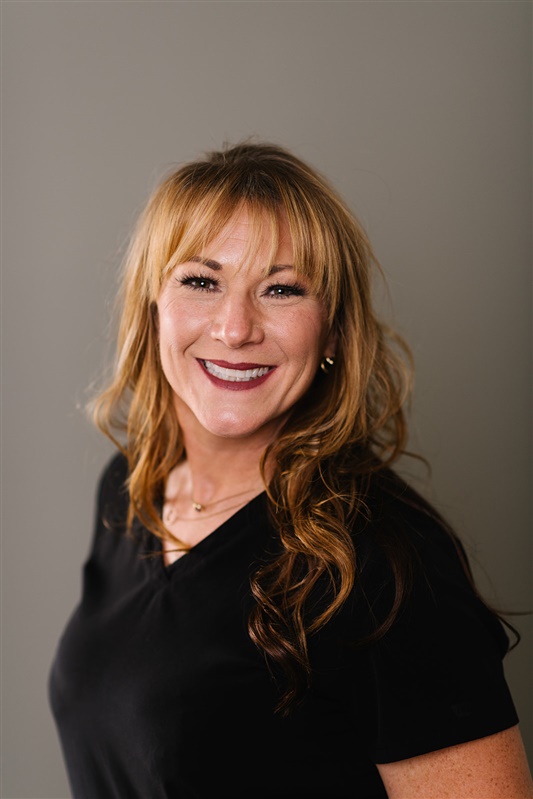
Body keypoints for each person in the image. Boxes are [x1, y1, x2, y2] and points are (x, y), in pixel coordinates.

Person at [49, 141, 533, 799]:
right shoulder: (130, 488)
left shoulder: (384, 562)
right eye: (200, 279)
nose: (235, 326)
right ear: (151, 305)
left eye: (281, 289)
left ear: (331, 331)